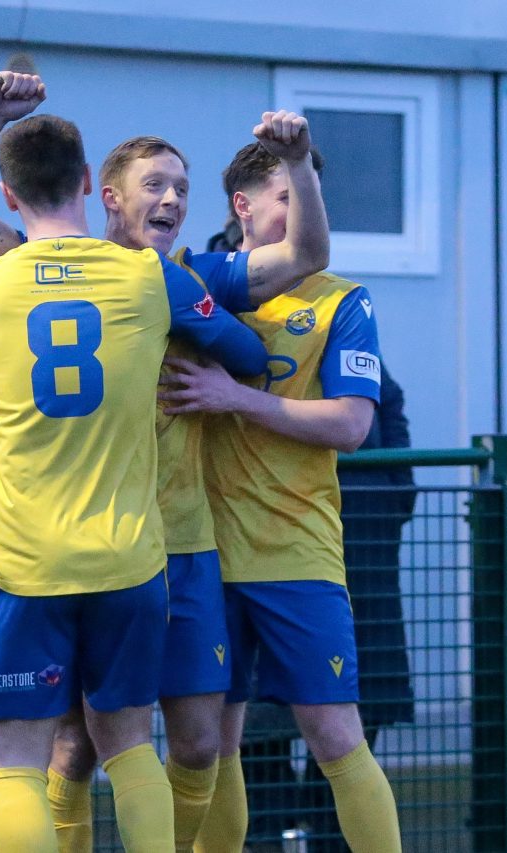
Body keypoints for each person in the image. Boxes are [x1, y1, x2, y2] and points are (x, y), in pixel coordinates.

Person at [0, 71, 330, 851]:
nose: (173, 198)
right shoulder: (152, 280)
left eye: (182, 186)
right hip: (129, 552)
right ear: (96, 188)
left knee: (38, 760)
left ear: (10, 194)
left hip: (51, 553)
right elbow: (253, 348)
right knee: (113, 746)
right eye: (157, 183)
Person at [160, 141, 403, 853]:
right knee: (211, 743)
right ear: (242, 207)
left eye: (314, 198)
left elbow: (353, 425)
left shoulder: (341, 299)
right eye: (291, 198)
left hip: (297, 551)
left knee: (334, 734)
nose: (308, 214)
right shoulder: (191, 283)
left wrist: (236, 397)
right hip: (203, 554)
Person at [245, 363, 416, 849]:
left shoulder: (350, 361)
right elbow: (402, 482)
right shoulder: (365, 370)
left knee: (306, 752)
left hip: (329, 568)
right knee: (271, 747)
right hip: (300, 567)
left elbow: (401, 480)